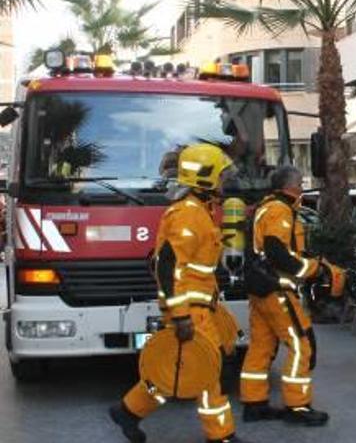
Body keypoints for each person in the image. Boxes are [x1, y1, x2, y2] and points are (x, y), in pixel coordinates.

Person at [110, 143, 246, 443]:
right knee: (208, 370)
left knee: (175, 367)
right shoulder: (187, 214)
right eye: (221, 176)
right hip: (190, 310)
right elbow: (169, 269)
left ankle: (128, 411)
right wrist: (181, 316)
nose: (226, 182)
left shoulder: (201, 211)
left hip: (200, 306)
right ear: (205, 178)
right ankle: (221, 435)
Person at [239, 165, 339, 426]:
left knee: (261, 347)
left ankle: (254, 404)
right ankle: (297, 407)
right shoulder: (280, 210)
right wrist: (316, 269)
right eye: (300, 183)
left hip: (260, 289)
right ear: (291, 186)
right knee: (301, 343)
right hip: (276, 289)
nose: (303, 187)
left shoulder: (267, 207)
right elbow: (277, 253)